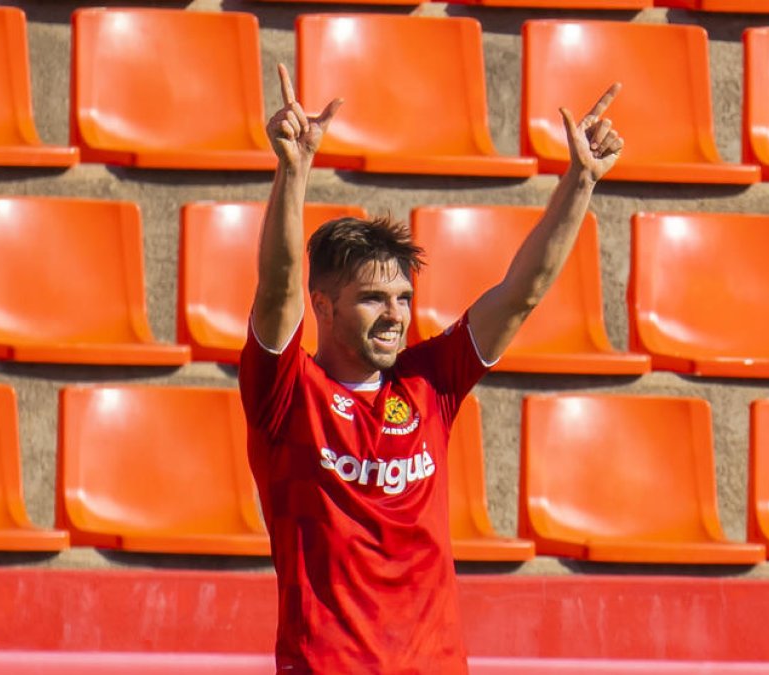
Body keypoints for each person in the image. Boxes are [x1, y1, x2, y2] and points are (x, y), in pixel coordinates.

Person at [238, 63, 624, 674]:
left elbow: (522, 293)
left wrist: (580, 181)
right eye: (372, 299)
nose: (395, 316)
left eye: (403, 299)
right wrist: (294, 169)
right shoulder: (285, 394)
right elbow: (278, 281)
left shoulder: (431, 382)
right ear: (323, 305)